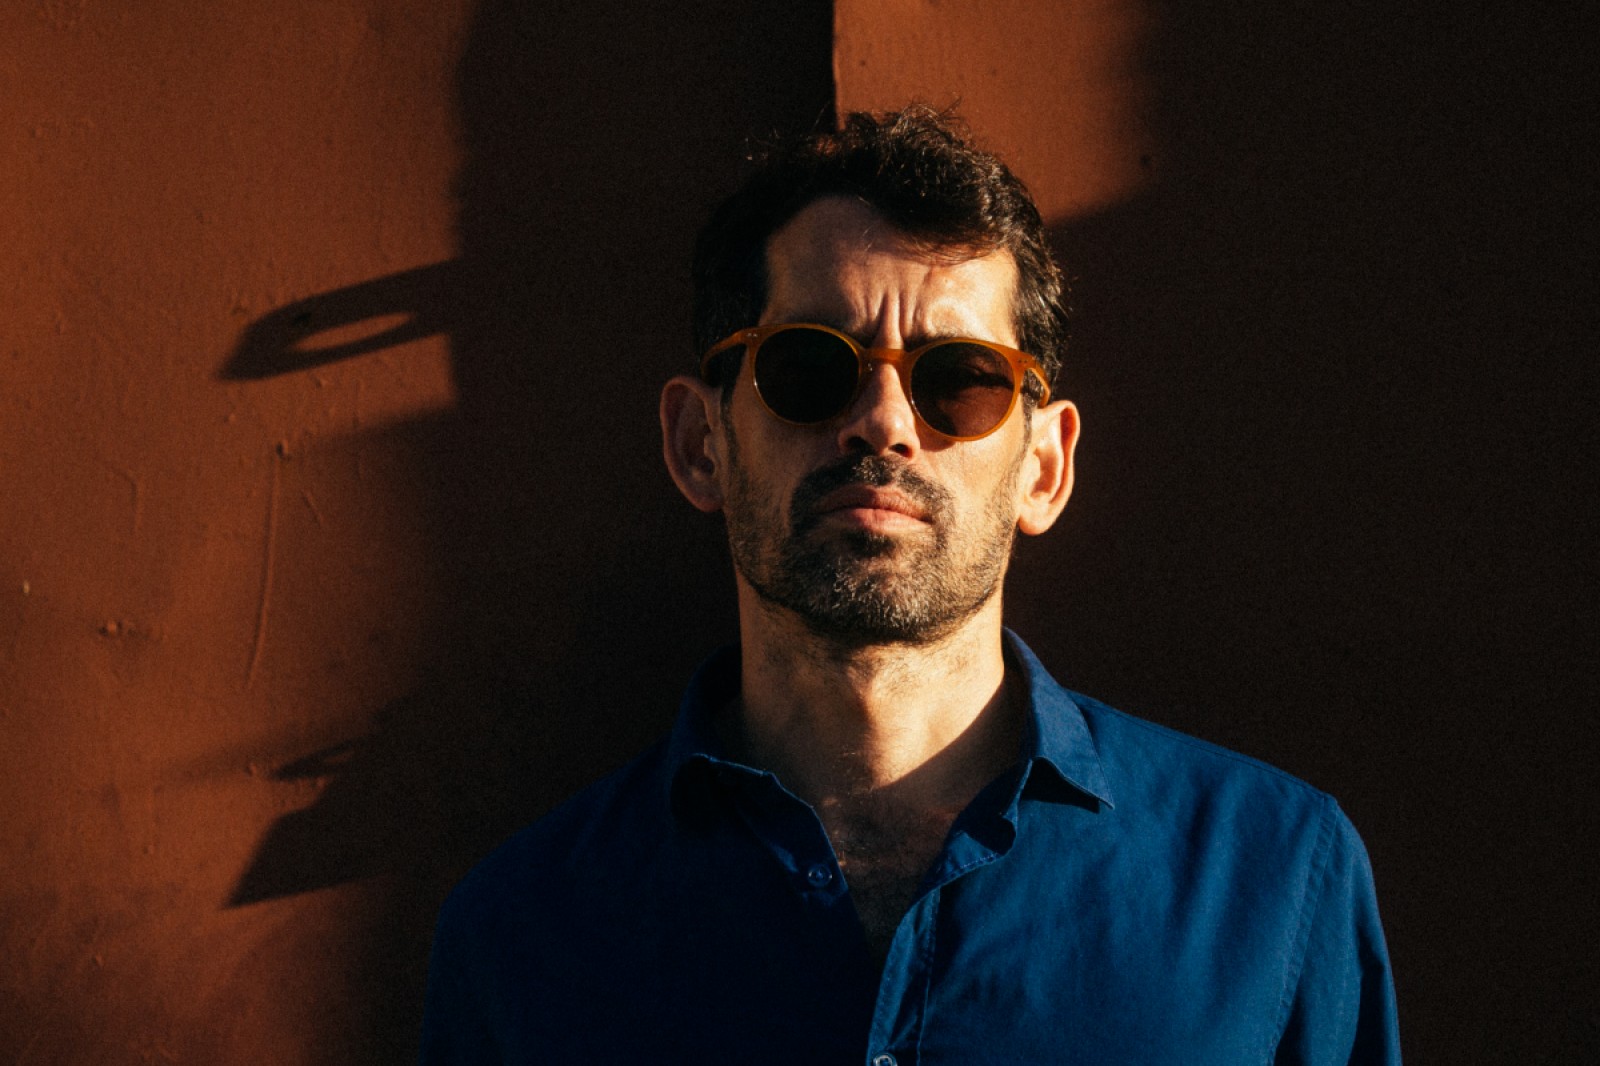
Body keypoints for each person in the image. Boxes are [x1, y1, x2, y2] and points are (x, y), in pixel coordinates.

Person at [419, 106, 1401, 1065]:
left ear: (1044, 468)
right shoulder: (523, 933)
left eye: (960, 377)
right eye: (810, 366)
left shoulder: (1273, 876)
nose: (883, 422)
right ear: (698, 444)